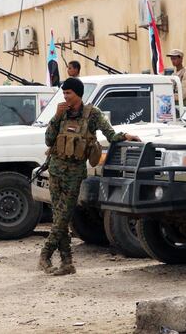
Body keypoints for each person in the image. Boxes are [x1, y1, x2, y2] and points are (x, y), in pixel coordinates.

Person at [39, 77, 139, 275]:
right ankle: (67, 262)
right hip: (56, 170)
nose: (65, 97)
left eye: (69, 93)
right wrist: (56, 117)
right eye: (64, 93)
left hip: (74, 174)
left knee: (64, 215)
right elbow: (49, 139)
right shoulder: (61, 113)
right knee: (60, 217)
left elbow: (110, 134)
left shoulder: (92, 114)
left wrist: (125, 136)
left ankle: (45, 254)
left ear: (78, 94)